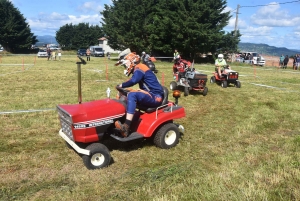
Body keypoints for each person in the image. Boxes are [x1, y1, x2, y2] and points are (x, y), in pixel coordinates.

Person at [114, 52, 164, 137]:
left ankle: (126, 126)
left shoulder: (140, 68)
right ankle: (122, 118)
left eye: (125, 65)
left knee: (132, 95)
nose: (125, 67)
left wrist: (121, 85)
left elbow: (133, 81)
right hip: (151, 94)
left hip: (155, 96)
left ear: (132, 61)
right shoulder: (140, 68)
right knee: (125, 94)